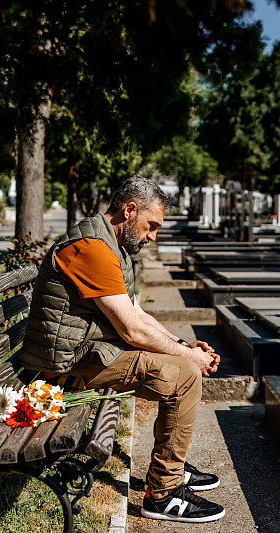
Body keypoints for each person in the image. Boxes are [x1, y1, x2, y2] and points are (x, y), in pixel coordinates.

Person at [19, 175, 225, 523]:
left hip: (87, 351)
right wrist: (190, 357)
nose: (152, 236)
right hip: (68, 365)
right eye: (151, 225)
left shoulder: (110, 243)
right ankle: (163, 494)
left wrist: (180, 344)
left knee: (181, 364)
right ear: (130, 211)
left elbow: (136, 313)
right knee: (186, 375)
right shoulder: (92, 249)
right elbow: (130, 328)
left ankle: (171, 463)